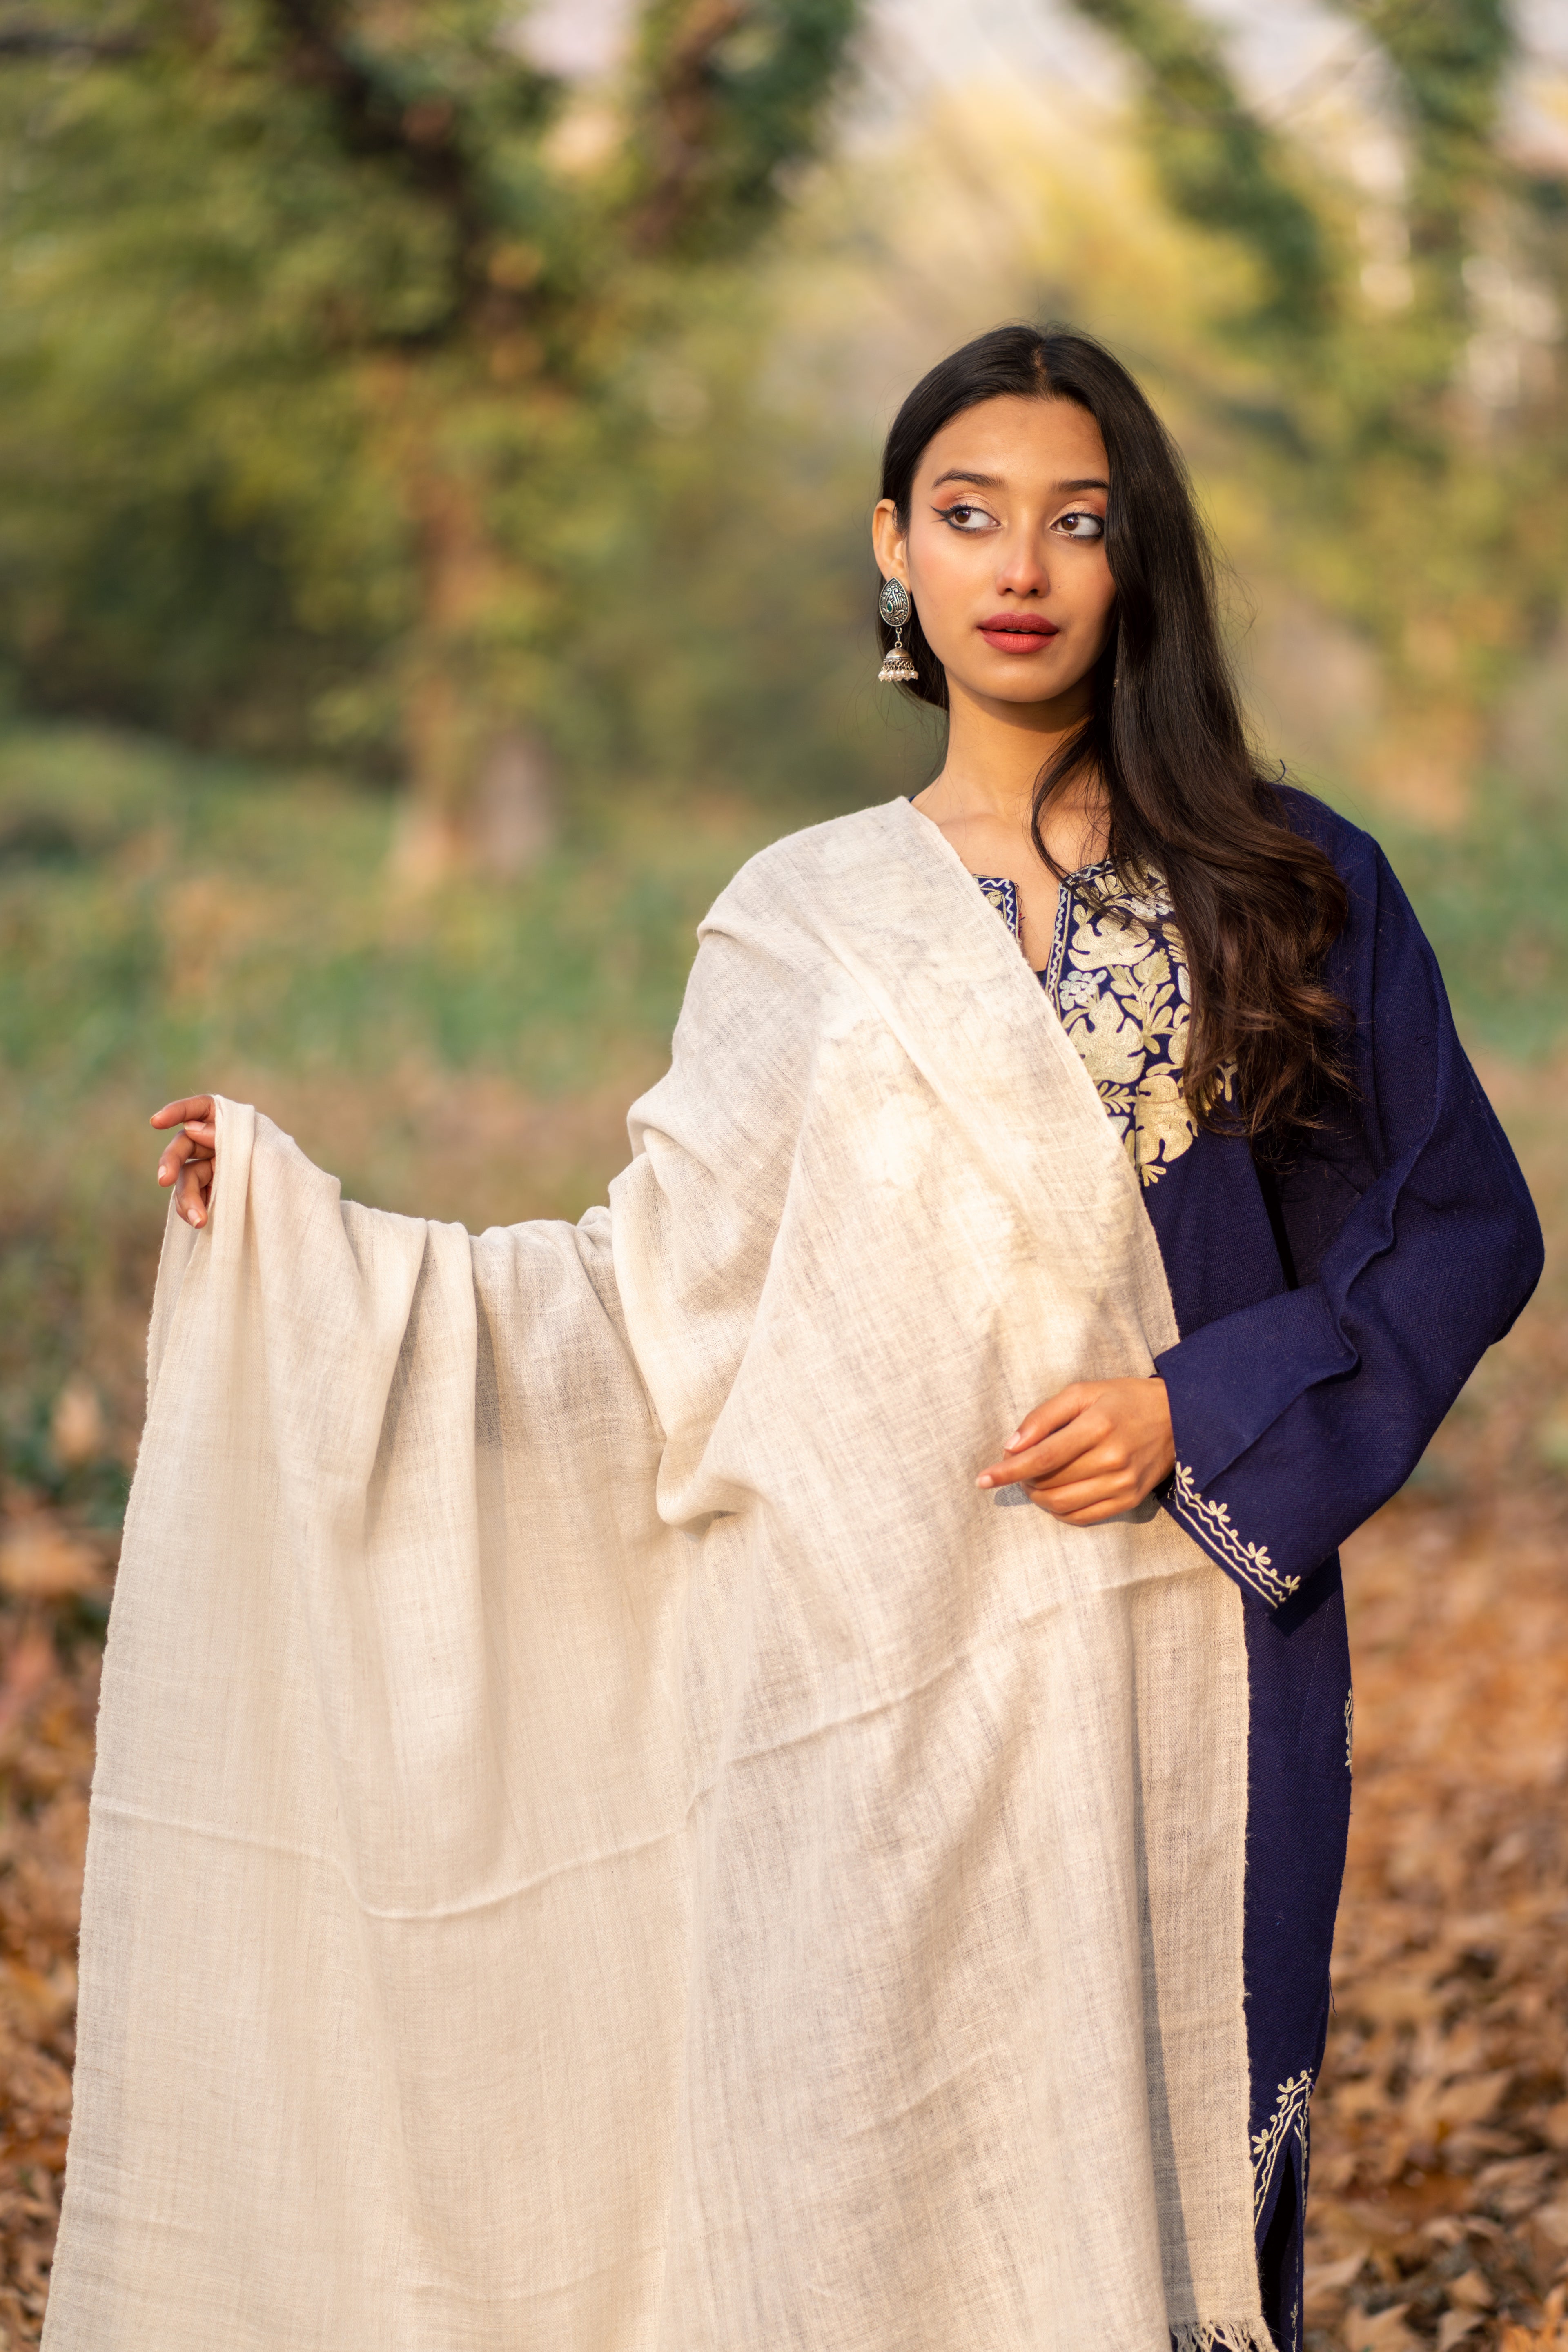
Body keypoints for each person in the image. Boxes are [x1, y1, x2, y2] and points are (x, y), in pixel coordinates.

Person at [49, 327, 1540, 2352]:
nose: (1020, 563)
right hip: (857, 1671)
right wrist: (326, 1262)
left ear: (1137, 563)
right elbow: (647, 1297)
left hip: (1176, 1625)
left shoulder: (1280, 883)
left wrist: (1201, 1408)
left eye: (1077, 520)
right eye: (969, 513)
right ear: (894, 553)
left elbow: (1454, 1225)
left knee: (1156, 2176)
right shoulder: (802, 919)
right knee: (861, 2168)